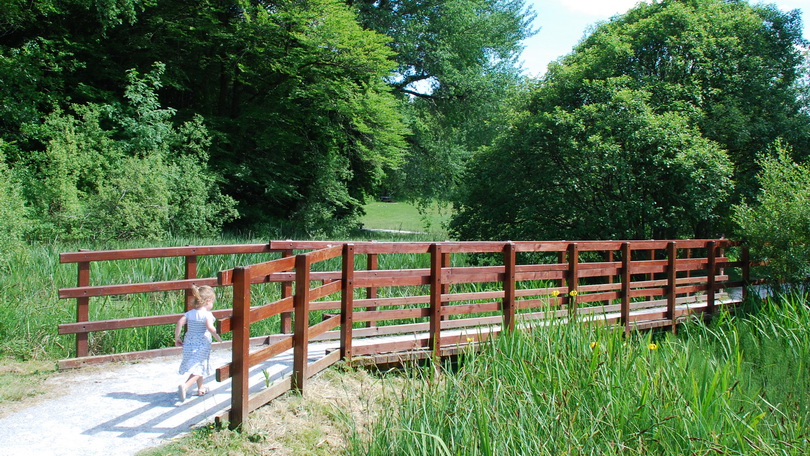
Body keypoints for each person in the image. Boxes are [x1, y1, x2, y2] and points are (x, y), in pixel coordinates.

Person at [175, 284, 222, 402]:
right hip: (202, 344)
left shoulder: (189, 313)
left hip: (189, 343)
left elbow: (180, 323)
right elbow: (210, 328)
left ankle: (200, 388)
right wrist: (218, 337)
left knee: (199, 366)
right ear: (208, 301)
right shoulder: (207, 315)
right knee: (199, 367)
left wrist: (177, 337)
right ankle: (185, 386)